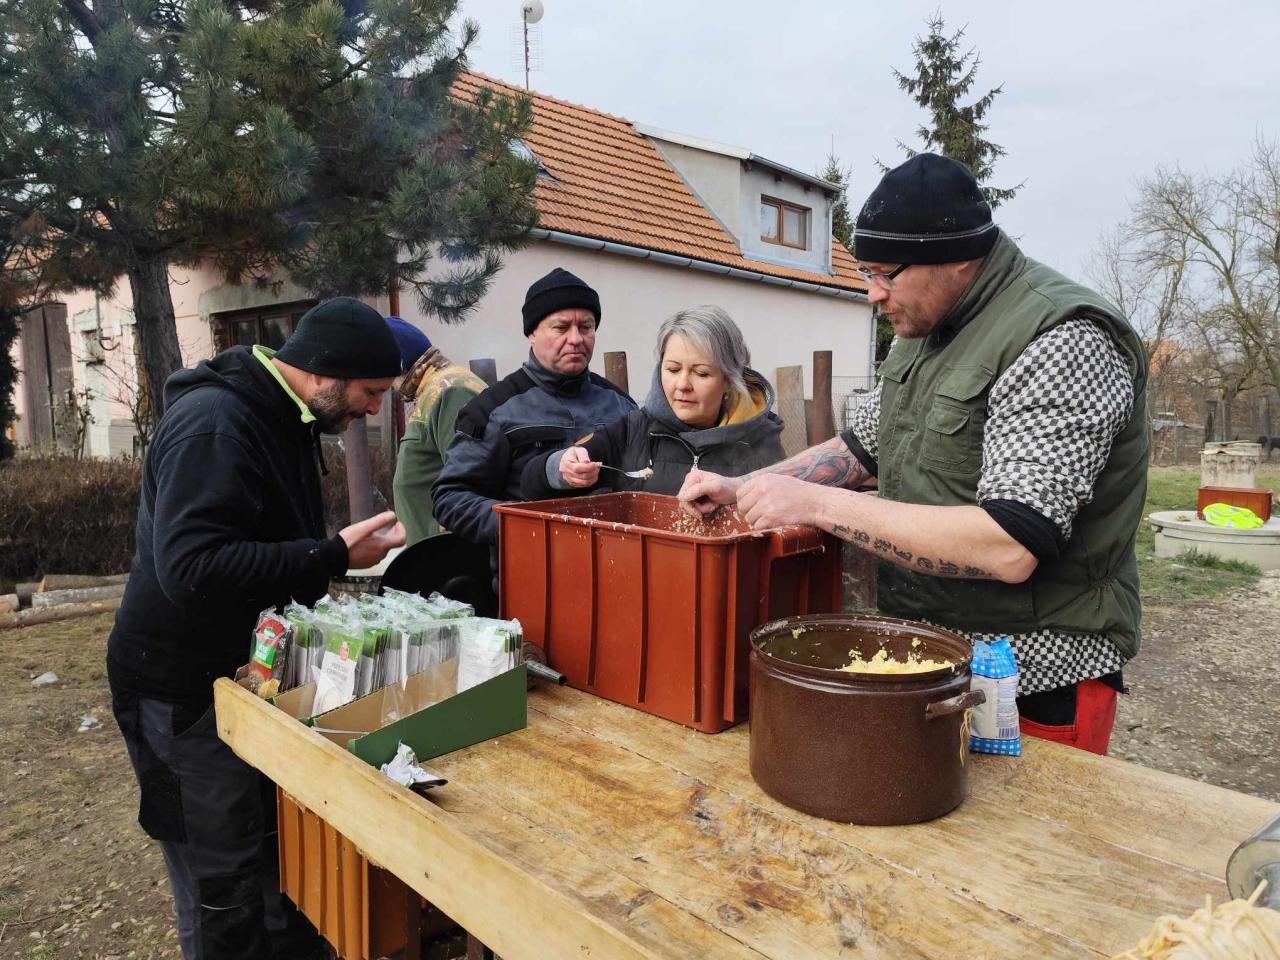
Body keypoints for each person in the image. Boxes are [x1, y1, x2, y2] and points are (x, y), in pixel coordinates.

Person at [679, 153, 1150, 756]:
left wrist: (815, 504)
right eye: (866, 271)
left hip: (1032, 679)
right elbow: (861, 449)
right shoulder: (922, 329)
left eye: (886, 274)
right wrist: (744, 486)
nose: (872, 294)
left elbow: (1011, 545)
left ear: (959, 258)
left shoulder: (1063, 338)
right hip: (928, 655)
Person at [107, 297, 407, 959]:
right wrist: (331, 555)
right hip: (180, 690)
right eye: (370, 392)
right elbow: (192, 568)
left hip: (241, 678)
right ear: (324, 370)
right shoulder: (216, 422)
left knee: (268, 863)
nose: (371, 409)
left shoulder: (285, 416)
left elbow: (262, 539)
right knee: (220, 883)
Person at [432, 267, 636, 545]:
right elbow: (450, 498)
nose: (576, 339)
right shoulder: (492, 410)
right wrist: (523, 526)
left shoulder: (622, 405)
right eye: (561, 328)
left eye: (586, 327)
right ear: (531, 333)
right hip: (529, 563)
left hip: (614, 558)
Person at [521, 305, 784, 499]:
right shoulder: (632, 431)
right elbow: (530, 483)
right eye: (672, 369)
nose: (682, 384)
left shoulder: (759, 439)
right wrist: (561, 467)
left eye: (701, 373)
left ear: (729, 379)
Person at [388, 321, 487, 545]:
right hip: (431, 552)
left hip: (446, 554)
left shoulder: (451, 390)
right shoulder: (434, 388)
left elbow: (468, 484)